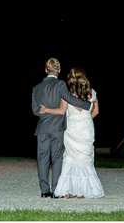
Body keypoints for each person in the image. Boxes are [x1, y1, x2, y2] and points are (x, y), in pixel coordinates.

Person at [31, 57, 93, 198]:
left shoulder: (36, 88)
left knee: (42, 159)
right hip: (57, 127)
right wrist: (87, 105)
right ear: (59, 70)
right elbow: (70, 99)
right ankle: (56, 191)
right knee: (57, 158)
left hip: (42, 128)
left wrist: (44, 111)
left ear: (46, 70)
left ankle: (44, 191)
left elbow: (35, 111)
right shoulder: (60, 85)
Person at [40, 67, 103, 199]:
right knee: (85, 159)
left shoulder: (66, 94)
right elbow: (96, 111)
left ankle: (70, 190)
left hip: (72, 128)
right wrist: (85, 120)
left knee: (70, 158)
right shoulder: (91, 93)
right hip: (86, 128)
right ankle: (85, 191)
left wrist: (46, 109)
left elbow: (61, 111)